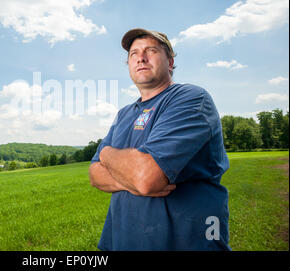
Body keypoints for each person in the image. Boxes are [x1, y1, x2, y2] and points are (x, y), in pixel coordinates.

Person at [89, 28, 230, 250]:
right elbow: (94, 175)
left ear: (171, 62)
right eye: (133, 54)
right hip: (123, 241)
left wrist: (106, 154)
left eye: (150, 50)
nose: (140, 58)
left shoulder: (191, 98)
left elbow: (147, 178)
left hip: (186, 240)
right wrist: (131, 180)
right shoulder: (124, 114)